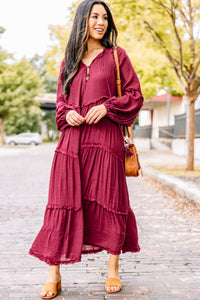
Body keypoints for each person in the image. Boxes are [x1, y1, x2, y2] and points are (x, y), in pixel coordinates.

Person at [29, 0, 144, 298]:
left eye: (105, 17)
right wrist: (67, 113)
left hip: (105, 143)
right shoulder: (69, 60)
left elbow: (134, 96)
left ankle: (112, 269)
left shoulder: (118, 56)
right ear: (83, 20)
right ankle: (53, 274)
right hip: (72, 145)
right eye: (94, 16)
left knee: (110, 199)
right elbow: (60, 104)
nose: (100, 22)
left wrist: (107, 108)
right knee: (62, 202)